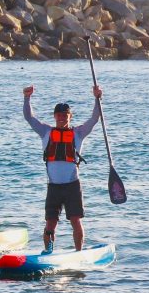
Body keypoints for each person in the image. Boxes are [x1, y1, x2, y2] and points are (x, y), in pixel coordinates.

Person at [23, 83, 103, 253]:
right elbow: (29, 117)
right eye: (59, 115)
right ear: (54, 116)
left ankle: (78, 253)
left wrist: (97, 98)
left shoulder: (78, 133)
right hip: (53, 187)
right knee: (50, 223)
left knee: (75, 220)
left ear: (70, 117)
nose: (61, 118)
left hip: (72, 185)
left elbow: (95, 119)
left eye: (65, 115)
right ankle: (48, 252)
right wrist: (27, 97)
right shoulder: (45, 132)